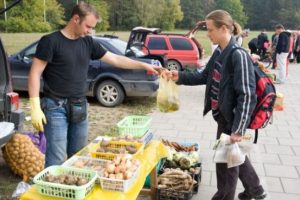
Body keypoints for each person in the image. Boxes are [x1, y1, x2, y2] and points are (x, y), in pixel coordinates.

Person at [28, 2, 160, 167]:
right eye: (88, 26)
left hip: (79, 105)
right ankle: (52, 189)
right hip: (55, 107)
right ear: (76, 19)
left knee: (79, 156)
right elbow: (35, 73)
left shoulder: (88, 42)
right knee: (57, 158)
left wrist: (144, 65)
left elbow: (116, 59)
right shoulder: (50, 41)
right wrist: (34, 106)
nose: (90, 30)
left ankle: (75, 189)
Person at [162, 10, 266, 200]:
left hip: (232, 120)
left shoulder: (238, 55)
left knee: (226, 165)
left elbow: (247, 95)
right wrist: (179, 76)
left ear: (224, 28)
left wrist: (238, 129)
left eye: (210, 30)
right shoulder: (219, 51)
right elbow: (204, 76)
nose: (208, 34)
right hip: (222, 116)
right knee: (234, 156)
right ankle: (256, 190)